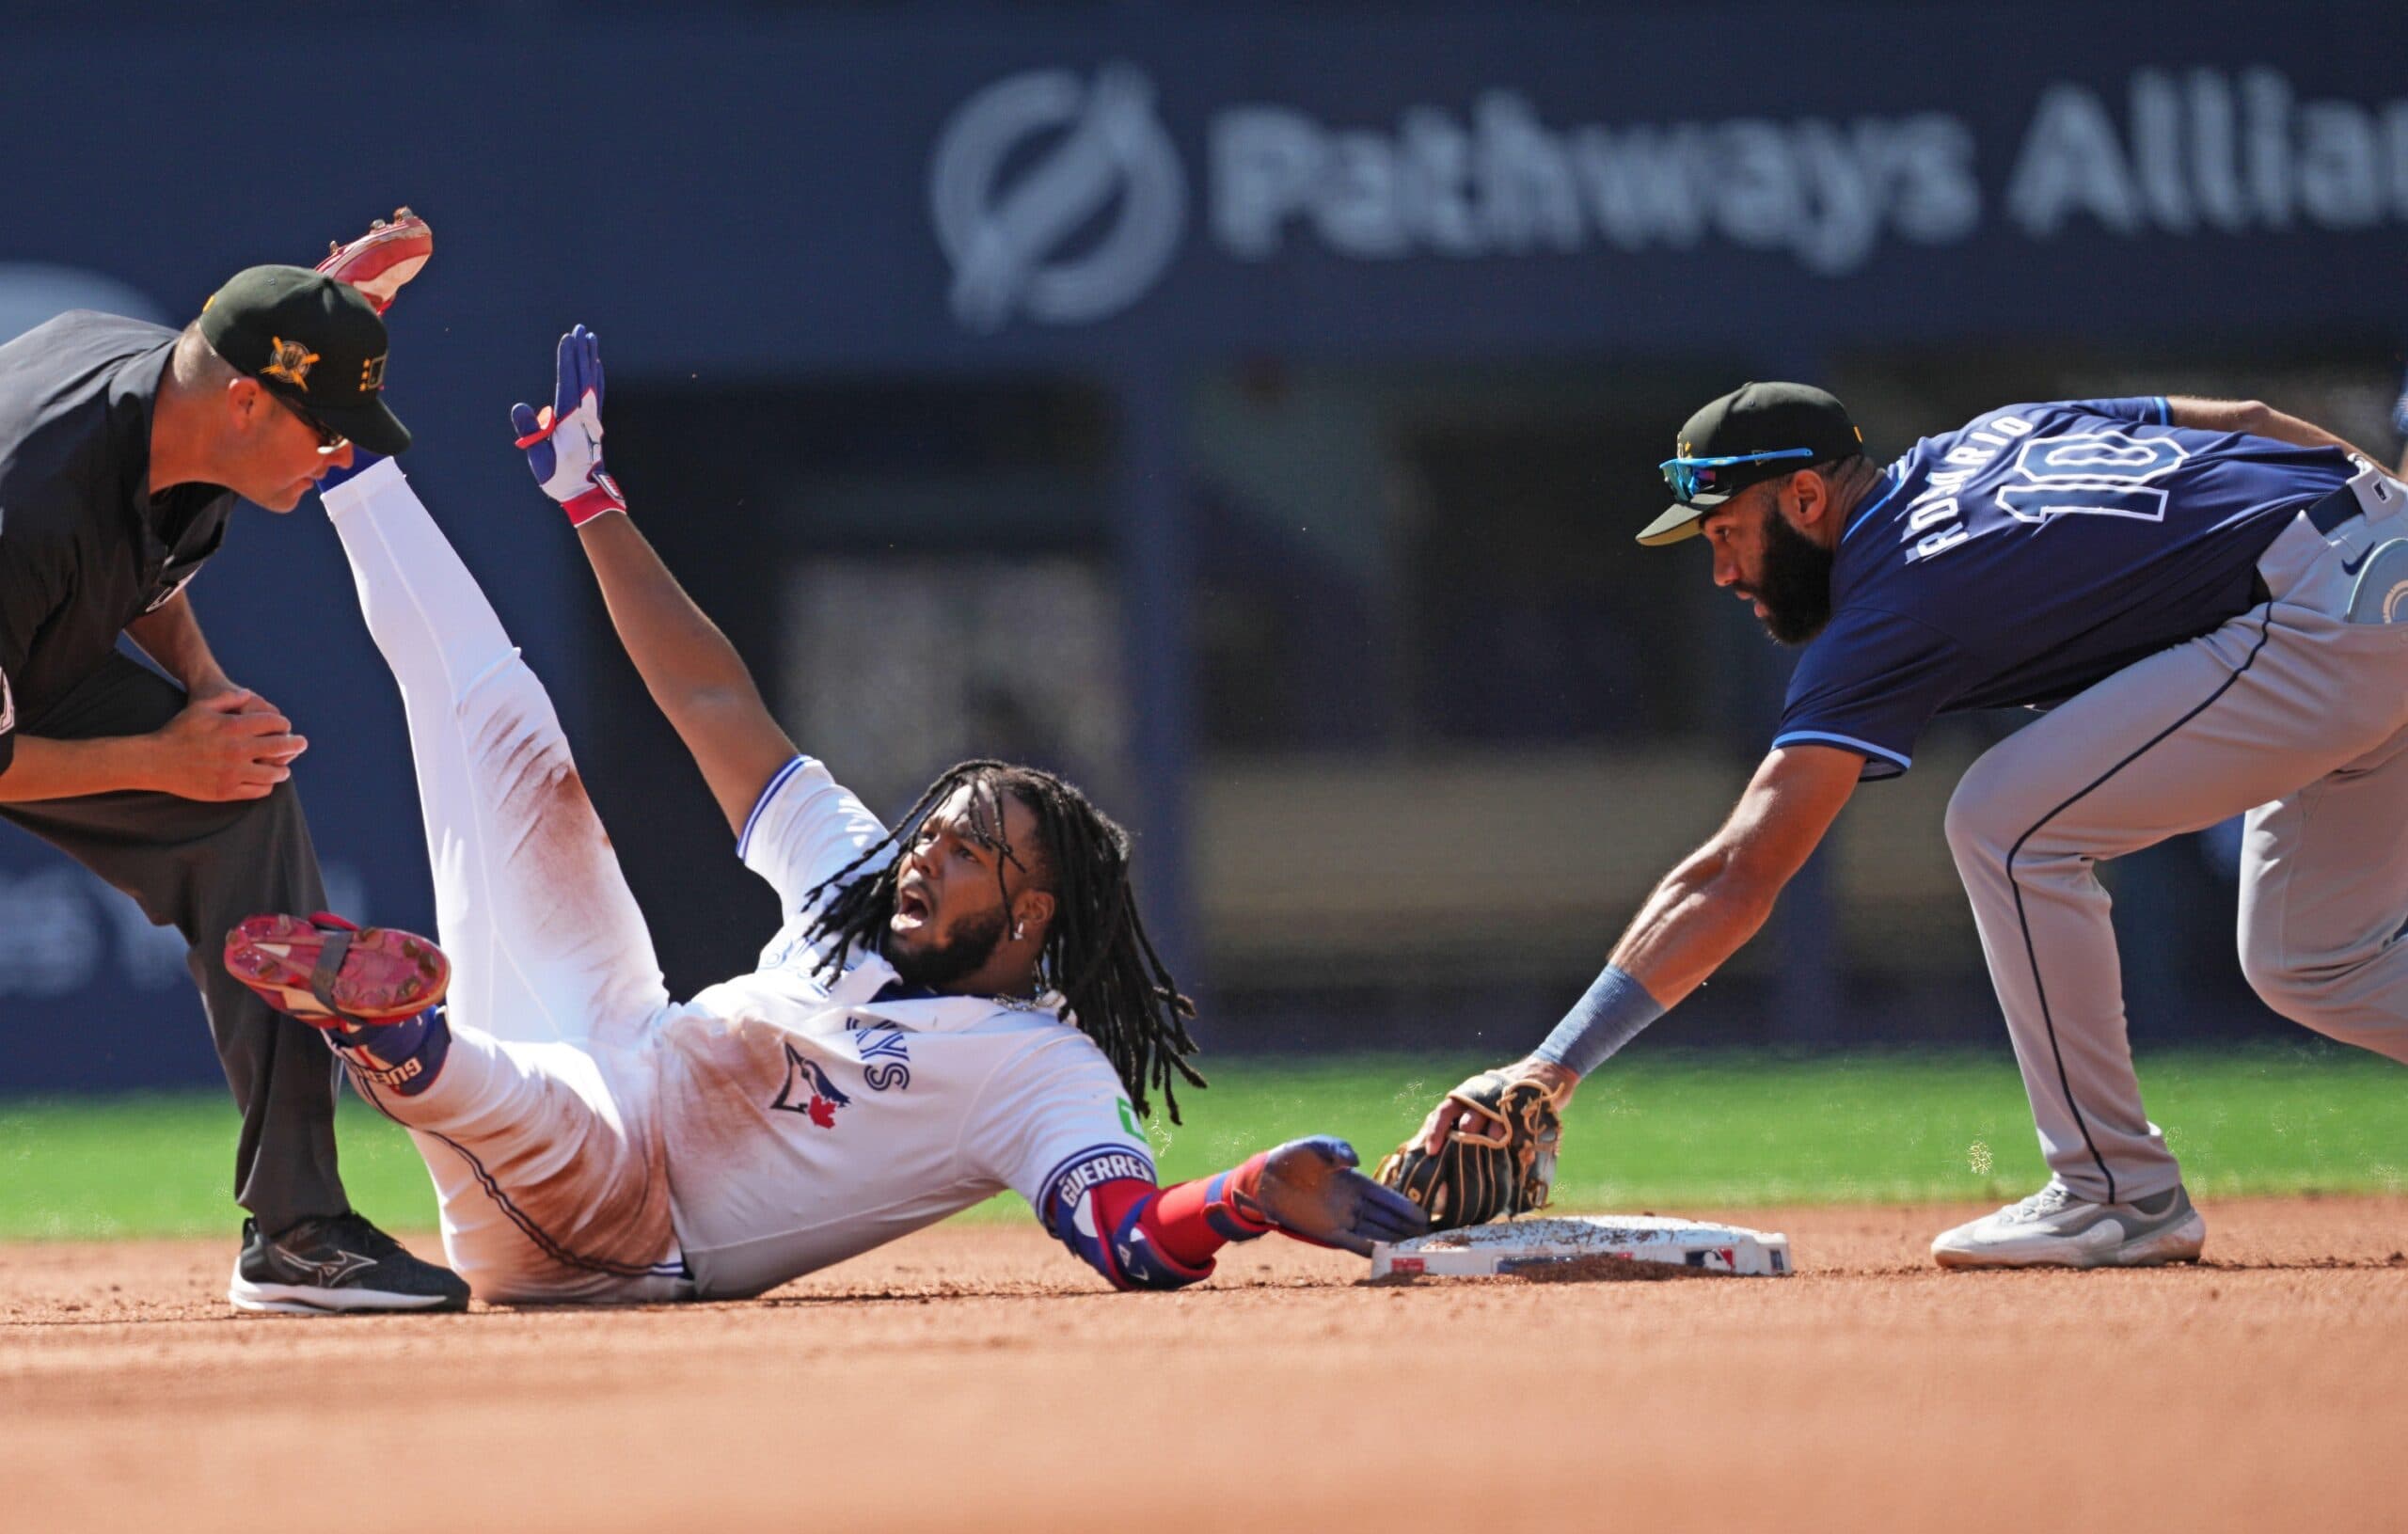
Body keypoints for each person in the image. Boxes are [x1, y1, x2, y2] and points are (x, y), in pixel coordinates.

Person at [224, 326, 1424, 1304]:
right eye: (934, 829)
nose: (925, 857)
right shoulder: (863, 879)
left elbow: (1126, 1238)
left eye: (966, 854)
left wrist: (1245, 1197)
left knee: (541, 1115)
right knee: (500, 724)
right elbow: (711, 700)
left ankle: (400, 1041)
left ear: (1032, 910)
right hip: (618, 1036)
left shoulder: (1035, 1069)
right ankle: (339, 447)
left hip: (621, 1232)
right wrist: (591, 501)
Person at [1418, 381, 2408, 1269]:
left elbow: (1742, 871)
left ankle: (2117, 1193)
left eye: (1725, 532)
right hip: (2376, 556)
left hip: (2323, 617)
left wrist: (1552, 1065)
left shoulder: (1892, 595)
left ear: (1805, 499)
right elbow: (2242, 422)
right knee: (2311, 958)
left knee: (2006, 824)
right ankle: (2115, 1187)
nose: (1721, 570)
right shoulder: (1994, 432)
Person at [0, 213, 469, 1313]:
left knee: (237, 797)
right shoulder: (27, 508)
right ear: (250, 403)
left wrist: (204, 697)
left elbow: (143, 559)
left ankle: (299, 1232)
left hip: (34, 642)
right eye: (331, 424)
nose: (343, 450)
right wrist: (159, 753)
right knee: (196, 772)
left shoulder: (193, 402)